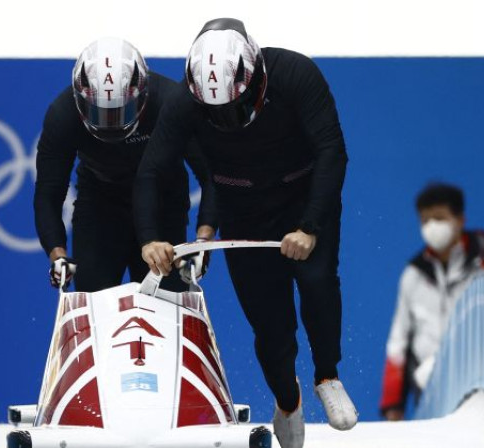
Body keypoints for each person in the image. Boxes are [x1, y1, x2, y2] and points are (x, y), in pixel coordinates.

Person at [134, 18, 357, 448]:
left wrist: (309, 226)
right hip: (245, 213)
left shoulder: (296, 74)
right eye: (215, 111)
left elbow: (332, 152)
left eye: (235, 106)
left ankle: (327, 374)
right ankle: (288, 400)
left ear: (254, 76)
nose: (228, 118)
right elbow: (150, 170)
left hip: (304, 202)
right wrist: (149, 237)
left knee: (316, 282)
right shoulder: (183, 103)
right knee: (270, 325)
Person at [34, 36, 216, 292]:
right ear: (80, 99)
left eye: (122, 111)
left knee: (164, 301)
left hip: (163, 205)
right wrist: (58, 256)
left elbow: (210, 175)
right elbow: (48, 192)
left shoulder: (170, 102)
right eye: (99, 112)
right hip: (101, 206)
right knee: (94, 299)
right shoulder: (62, 116)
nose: (112, 122)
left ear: (142, 94)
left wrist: (201, 243)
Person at [379, 184, 484, 421]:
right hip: (430, 392)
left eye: (440, 218)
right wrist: (393, 404)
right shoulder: (413, 275)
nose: (432, 226)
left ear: (460, 219)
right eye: (425, 220)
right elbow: (398, 343)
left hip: (483, 387)